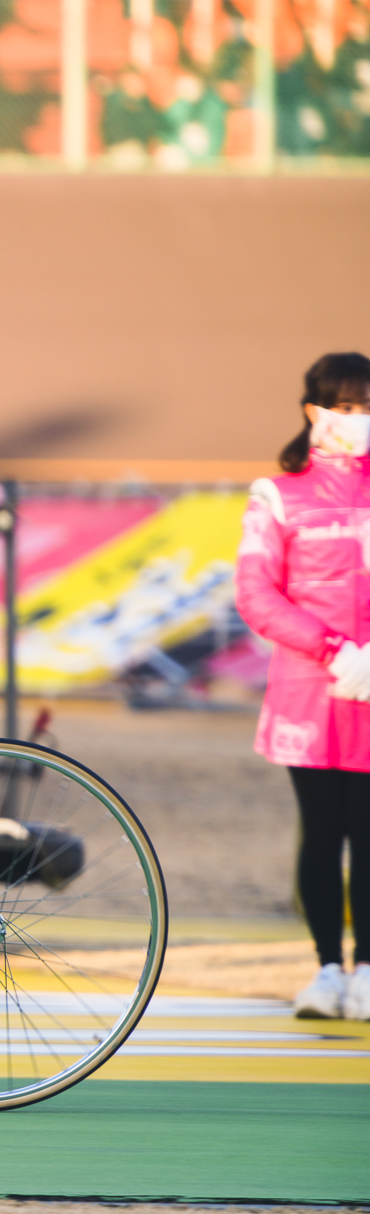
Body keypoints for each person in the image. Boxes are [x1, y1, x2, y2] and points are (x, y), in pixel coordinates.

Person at [234, 351, 370, 1022]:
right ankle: (324, 970)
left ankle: (367, 972)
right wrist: (335, 648)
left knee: (368, 833)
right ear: (314, 410)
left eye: (367, 407)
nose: (357, 419)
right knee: (322, 833)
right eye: (345, 406)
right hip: (309, 692)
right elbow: (256, 593)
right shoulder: (277, 495)